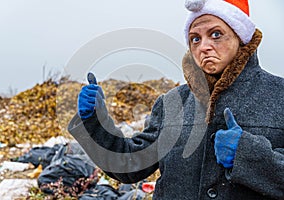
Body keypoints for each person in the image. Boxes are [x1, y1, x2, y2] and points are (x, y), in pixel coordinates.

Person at [68, 0, 284, 199]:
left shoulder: (279, 95)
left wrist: (248, 155)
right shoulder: (172, 102)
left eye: (216, 34)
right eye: (195, 39)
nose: (204, 46)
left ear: (240, 37)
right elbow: (129, 164)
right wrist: (94, 122)